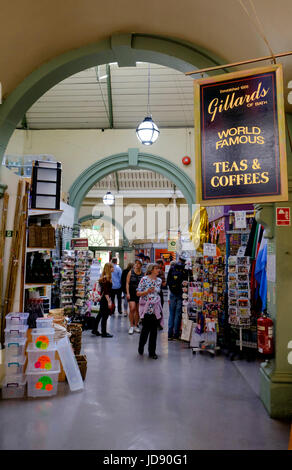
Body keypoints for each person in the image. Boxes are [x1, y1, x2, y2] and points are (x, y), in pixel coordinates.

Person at [137, 263, 163, 359]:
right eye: (156, 268)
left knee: (154, 331)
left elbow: (158, 293)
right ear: (151, 269)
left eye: (158, 268)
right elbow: (138, 293)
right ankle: (141, 346)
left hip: (155, 308)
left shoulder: (159, 281)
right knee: (145, 330)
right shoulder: (144, 279)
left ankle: (152, 352)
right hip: (146, 308)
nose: (158, 270)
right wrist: (146, 292)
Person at [167, 257, 188, 340]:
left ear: (179, 259)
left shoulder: (172, 268)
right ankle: (176, 334)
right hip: (181, 294)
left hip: (172, 293)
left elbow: (168, 281)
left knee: (171, 314)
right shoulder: (185, 269)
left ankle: (169, 334)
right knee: (178, 314)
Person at [91, 262, 114, 338]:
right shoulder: (107, 279)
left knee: (100, 314)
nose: (113, 269)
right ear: (109, 269)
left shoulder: (103, 277)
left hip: (102, 299)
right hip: (105, 299)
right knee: (105, 316)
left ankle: (94, 329)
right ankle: (104, 332)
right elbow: (106, 292)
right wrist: (109, 302)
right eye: (112, 267)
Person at [126, 259, 143, 334]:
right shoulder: (130, 272)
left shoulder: (143, 274)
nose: (137, 265)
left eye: (138, 264)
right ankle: (131, 326)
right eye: (136, 263)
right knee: (132, 308)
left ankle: (136, 325)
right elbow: (127, 283)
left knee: (138, 310)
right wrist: (127, 293)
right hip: (132, 293)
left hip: (139, 294)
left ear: (141, 265)